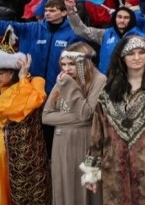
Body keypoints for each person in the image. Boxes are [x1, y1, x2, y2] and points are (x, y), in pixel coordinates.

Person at [80, 36, 145, 204]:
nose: (136, 57)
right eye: (131, 53)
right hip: (114, 170)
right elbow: (98, 131)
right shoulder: (109, 90)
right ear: (122, 58)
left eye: (142, 53)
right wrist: (92, 169)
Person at [0, 41, 50, 204]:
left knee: (23, 191)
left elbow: (19, 108)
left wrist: (22, 79)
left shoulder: (34, 83)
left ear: (11, 72)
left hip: (23, 150)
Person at [0, 0, 81, 93]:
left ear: (64, 13)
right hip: (29, 87)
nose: (47, 13)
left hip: (59, 88)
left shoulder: (74, 33)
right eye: (46, 10)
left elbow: (80, 63)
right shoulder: (30, 28)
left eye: (52, 10)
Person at [42, 42, 106, 205]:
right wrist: (78, 117)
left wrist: (70, 87)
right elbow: (46, 117)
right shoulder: (62, 80)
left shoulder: (99, 79)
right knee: (63, 183)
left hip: (83, 140)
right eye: (63, 64)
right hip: (60, 142)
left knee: (83, 187)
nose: (66, 69)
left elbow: (87, 114)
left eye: (71, 64)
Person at [65, 0, 145, 73]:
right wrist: (71, 13)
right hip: (106, 80)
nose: (122, 20)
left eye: (126, 18)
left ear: (132, 20)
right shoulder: (105, 34)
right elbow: (82, 30)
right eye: (119, 17)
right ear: (114, 18)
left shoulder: (140, 37)